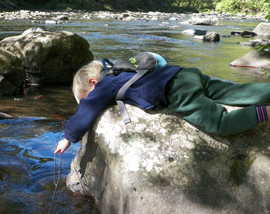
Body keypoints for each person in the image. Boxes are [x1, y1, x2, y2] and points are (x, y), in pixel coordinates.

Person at [54, 52, 270, 155]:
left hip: (176, 90)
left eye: (84, 96)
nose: (88, 100)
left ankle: (265, 112)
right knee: (234, 91)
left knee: (219, 123)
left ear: (92, 82)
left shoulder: (104, 85)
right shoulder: (121, 69)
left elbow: (87, 111)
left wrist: (68, 137)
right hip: (185, 74)